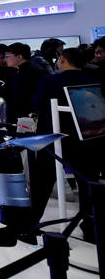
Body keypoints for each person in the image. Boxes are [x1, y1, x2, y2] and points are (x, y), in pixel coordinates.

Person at [30, 48, 104, 241]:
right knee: (87, 185)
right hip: (87, 140)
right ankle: (91, 228)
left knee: (42, 183)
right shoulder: (93, 81)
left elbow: (36, 104)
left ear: (62, 60)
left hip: (53, 139)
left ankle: (31, 224)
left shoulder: (50, 81)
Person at [5, 42, 48, 125]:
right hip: (19, 116)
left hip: (30, 117)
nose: (5, 59)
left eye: (7, 56)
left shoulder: (35, 71)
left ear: (19, 56)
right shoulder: (15, 71)